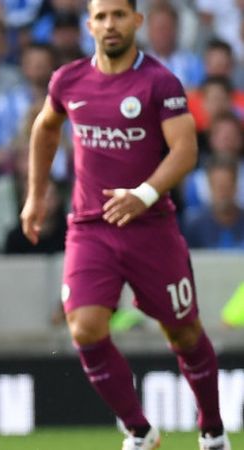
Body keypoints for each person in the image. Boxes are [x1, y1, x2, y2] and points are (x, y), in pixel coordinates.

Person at [20, 1, 229, 449]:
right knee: (85, 329)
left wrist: (144, 195)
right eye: (101, 16)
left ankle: (212, 431)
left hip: (151, 228)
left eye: (119, 15)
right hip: (91, 227)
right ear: (89, 24)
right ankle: (140, 430)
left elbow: (185, 151)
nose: (110, 24)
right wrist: (36, 196)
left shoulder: (159, 82)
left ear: (137, 21)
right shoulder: (69, 80)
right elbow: (45, 128)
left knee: (185, 333)